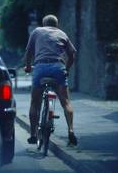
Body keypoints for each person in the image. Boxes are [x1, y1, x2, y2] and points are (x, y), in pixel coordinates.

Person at [24, 14, 78, 146]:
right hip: (58, 67)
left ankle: (33, 134)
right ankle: (70, 130)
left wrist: (28, 66)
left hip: (40, 67)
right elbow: (72, 53)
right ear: (56, 25)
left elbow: (28, 51)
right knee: (65, 101)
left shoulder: (37, 31)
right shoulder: (62, 33)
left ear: (44, 24)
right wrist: (67, 68)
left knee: (35, 102)